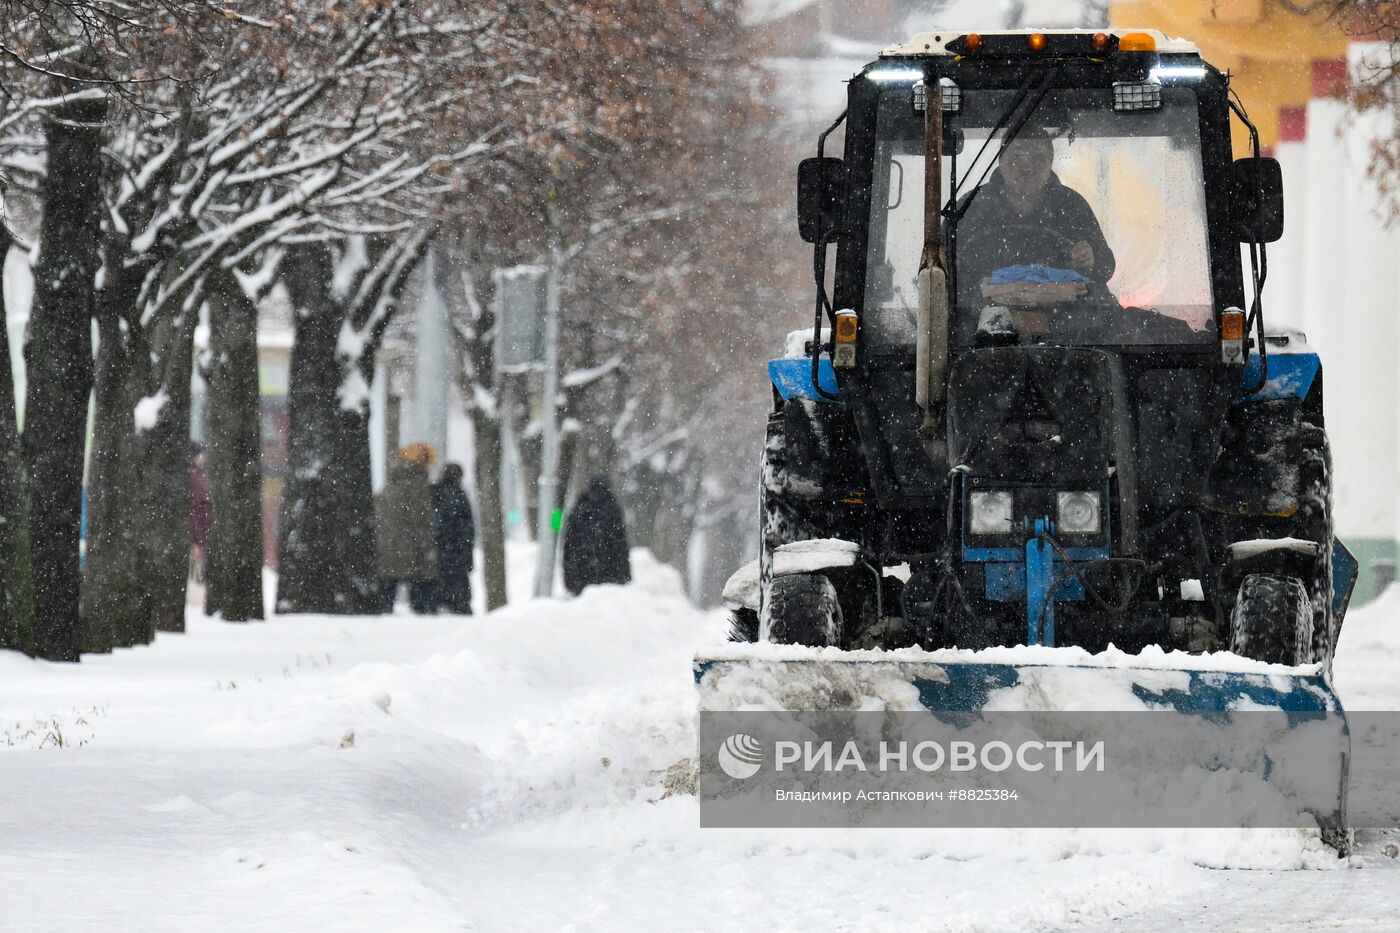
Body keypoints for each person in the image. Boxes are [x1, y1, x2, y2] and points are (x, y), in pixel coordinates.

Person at [957, 126, 1116, 294]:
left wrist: (1092, 258)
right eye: (1016, 157)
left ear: (1050, 162)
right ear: (1001, 161)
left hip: (1069, 313)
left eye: (1037, 157)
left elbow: (1106, 265)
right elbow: (940, 270)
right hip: (979, 313)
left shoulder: (1072, 206)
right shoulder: (970, 208)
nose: (1026, 167)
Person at [375, 443, 438, 614]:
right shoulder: (419, 487)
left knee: (387, 595)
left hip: (387, 547)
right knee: (421, 600)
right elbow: (422, 521)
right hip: (412, 549)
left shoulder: (391, 484)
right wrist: (428, 547)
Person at [561, 475, 632, 596]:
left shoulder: (580, 507)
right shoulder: (613, 508)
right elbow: (621, 545)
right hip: (610, 574)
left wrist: (569, 576)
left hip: (581, 572)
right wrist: (624, 575)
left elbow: (569, 543)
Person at [432, 462, 475, 614]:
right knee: (459, 597)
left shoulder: (433, 493)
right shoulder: (460, 496)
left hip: (437, 553)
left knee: (437, 594)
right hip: (456, 555)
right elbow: (467, 531)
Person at [189, 444, 211, 584]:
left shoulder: (202, 474)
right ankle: (196, 572)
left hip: (202, 513)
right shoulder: (194, 475)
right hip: (197, 513)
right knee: (198, 544)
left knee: (201, 544)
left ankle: (199, 572)